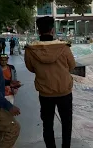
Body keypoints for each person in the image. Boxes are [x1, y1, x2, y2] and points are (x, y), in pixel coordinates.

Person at [24, 16, 76, 148]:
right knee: (67, 122)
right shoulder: (64, 47)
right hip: (64, 91)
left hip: (45, 92)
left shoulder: (30, 50)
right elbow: (72, 66)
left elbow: (30, 68)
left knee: (47, 123)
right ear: (52, 30)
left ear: (38, 31)